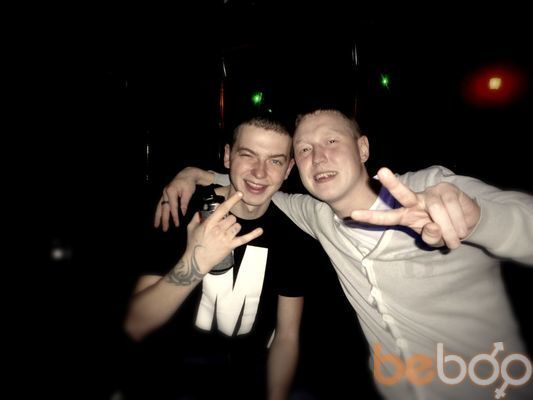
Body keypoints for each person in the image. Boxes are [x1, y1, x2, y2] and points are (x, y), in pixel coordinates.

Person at [156, 108, 533, 399]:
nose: (318, 157)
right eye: (304, 149)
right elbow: (256, 182)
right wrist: (196, 174)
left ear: (363, 148)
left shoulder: (429, 189)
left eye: (332, 141)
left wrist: (480, 219)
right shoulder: (315, 214)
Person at [124, 115, 328, 400]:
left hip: (248, 376)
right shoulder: (182, 207)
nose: (259, 172)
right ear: (228, 156)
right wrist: (196, 263)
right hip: (172, 374)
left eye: (275, 161)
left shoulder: (294, 234)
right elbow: (135, 324)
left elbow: (286, 337)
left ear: (288, 169)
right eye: (248, 155)